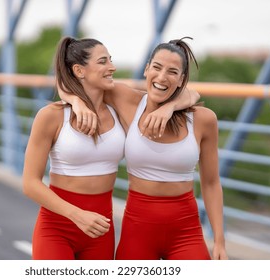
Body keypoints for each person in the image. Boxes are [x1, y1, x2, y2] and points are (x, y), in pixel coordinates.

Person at [22, 36, 199, 260]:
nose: (112, 67)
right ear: (79, 70)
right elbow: (30, 184)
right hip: (58, 227)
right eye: (103, 62)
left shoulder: (120, 108)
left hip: (100, 231)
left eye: (111, 60)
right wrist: (77, 215)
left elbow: (190, 94)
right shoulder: (51, 116)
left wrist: (170, 107)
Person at [59, 37, 228, 260]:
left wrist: (219, 241)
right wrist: (77, 103)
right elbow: (71, 83)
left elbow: (211, 182)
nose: (162, 77)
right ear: (147, 69)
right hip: (138, 231)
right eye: (156, 67)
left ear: (182, 80)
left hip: (186, 232)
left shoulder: (203, 119)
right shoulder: (127, 101)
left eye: (172, 72)